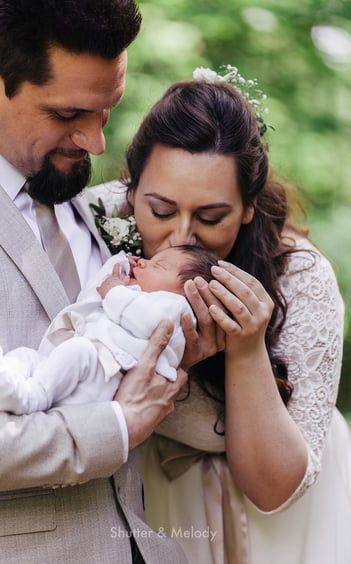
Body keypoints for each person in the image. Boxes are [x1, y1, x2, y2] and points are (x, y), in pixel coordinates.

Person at [90, 67, 351, 563]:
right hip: (160, 496)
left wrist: (247, 348)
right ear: (131, 187)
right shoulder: (101, 225)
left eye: (211, 218)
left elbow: (274, 490)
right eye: (161, 210)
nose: (182, 236)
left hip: (285, 518)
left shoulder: (298, 277)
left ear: (248, 208)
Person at [0, 1, 189, 562]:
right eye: (69, 114)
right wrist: (111, 429)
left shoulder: (103, 208)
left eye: (107, 110)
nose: (96, 143)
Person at [0, 246, 217, 414]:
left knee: (78, 351)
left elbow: (149, 321)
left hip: (103, 373)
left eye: (159, 265)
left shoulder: (176, 308)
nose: (143, 261)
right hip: (87, 368)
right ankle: (6, 378)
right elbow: (93, 296)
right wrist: (120, 268)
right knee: (27, 356)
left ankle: (29, 397)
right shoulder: (134, 296)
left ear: (186, 291)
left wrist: (114, 290)